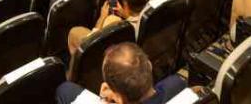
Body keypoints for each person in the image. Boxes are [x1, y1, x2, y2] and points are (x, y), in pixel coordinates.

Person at [57, 42, 186, 104]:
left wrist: (103, 100)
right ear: (149, 65)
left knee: (65, 89)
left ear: (118, 98)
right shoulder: (178, 84)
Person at [67, 0, 152, 55]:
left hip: (108, 54)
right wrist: (126, 15)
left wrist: (102, 17)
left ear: (125, 4)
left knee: (74, 32)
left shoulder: (113, 22)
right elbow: (137, 19)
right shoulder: (151, 14)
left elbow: (91, 42)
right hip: (140, 49)